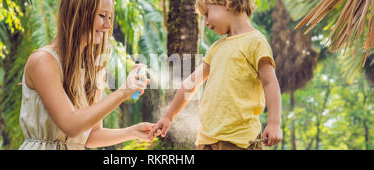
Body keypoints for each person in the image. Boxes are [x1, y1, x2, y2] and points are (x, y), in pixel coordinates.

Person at [149, 0, 283, 150]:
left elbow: (270, 83)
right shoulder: (215, 48)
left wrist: (274, 122)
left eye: (207, 14)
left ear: (227, 3)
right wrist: (168, 116)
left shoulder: (255, 42)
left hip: (240, 141)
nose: (206, 22)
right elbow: (190, 84)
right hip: (207, 141)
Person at [19, 0, 152, 150]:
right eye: (102, 15)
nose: (108, 26)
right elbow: (70, 125)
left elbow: (90, 136)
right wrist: (122, 92)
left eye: (110, 18)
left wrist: (131, 132)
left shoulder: (92, 69)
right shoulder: (43, 61)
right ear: (77, 13)